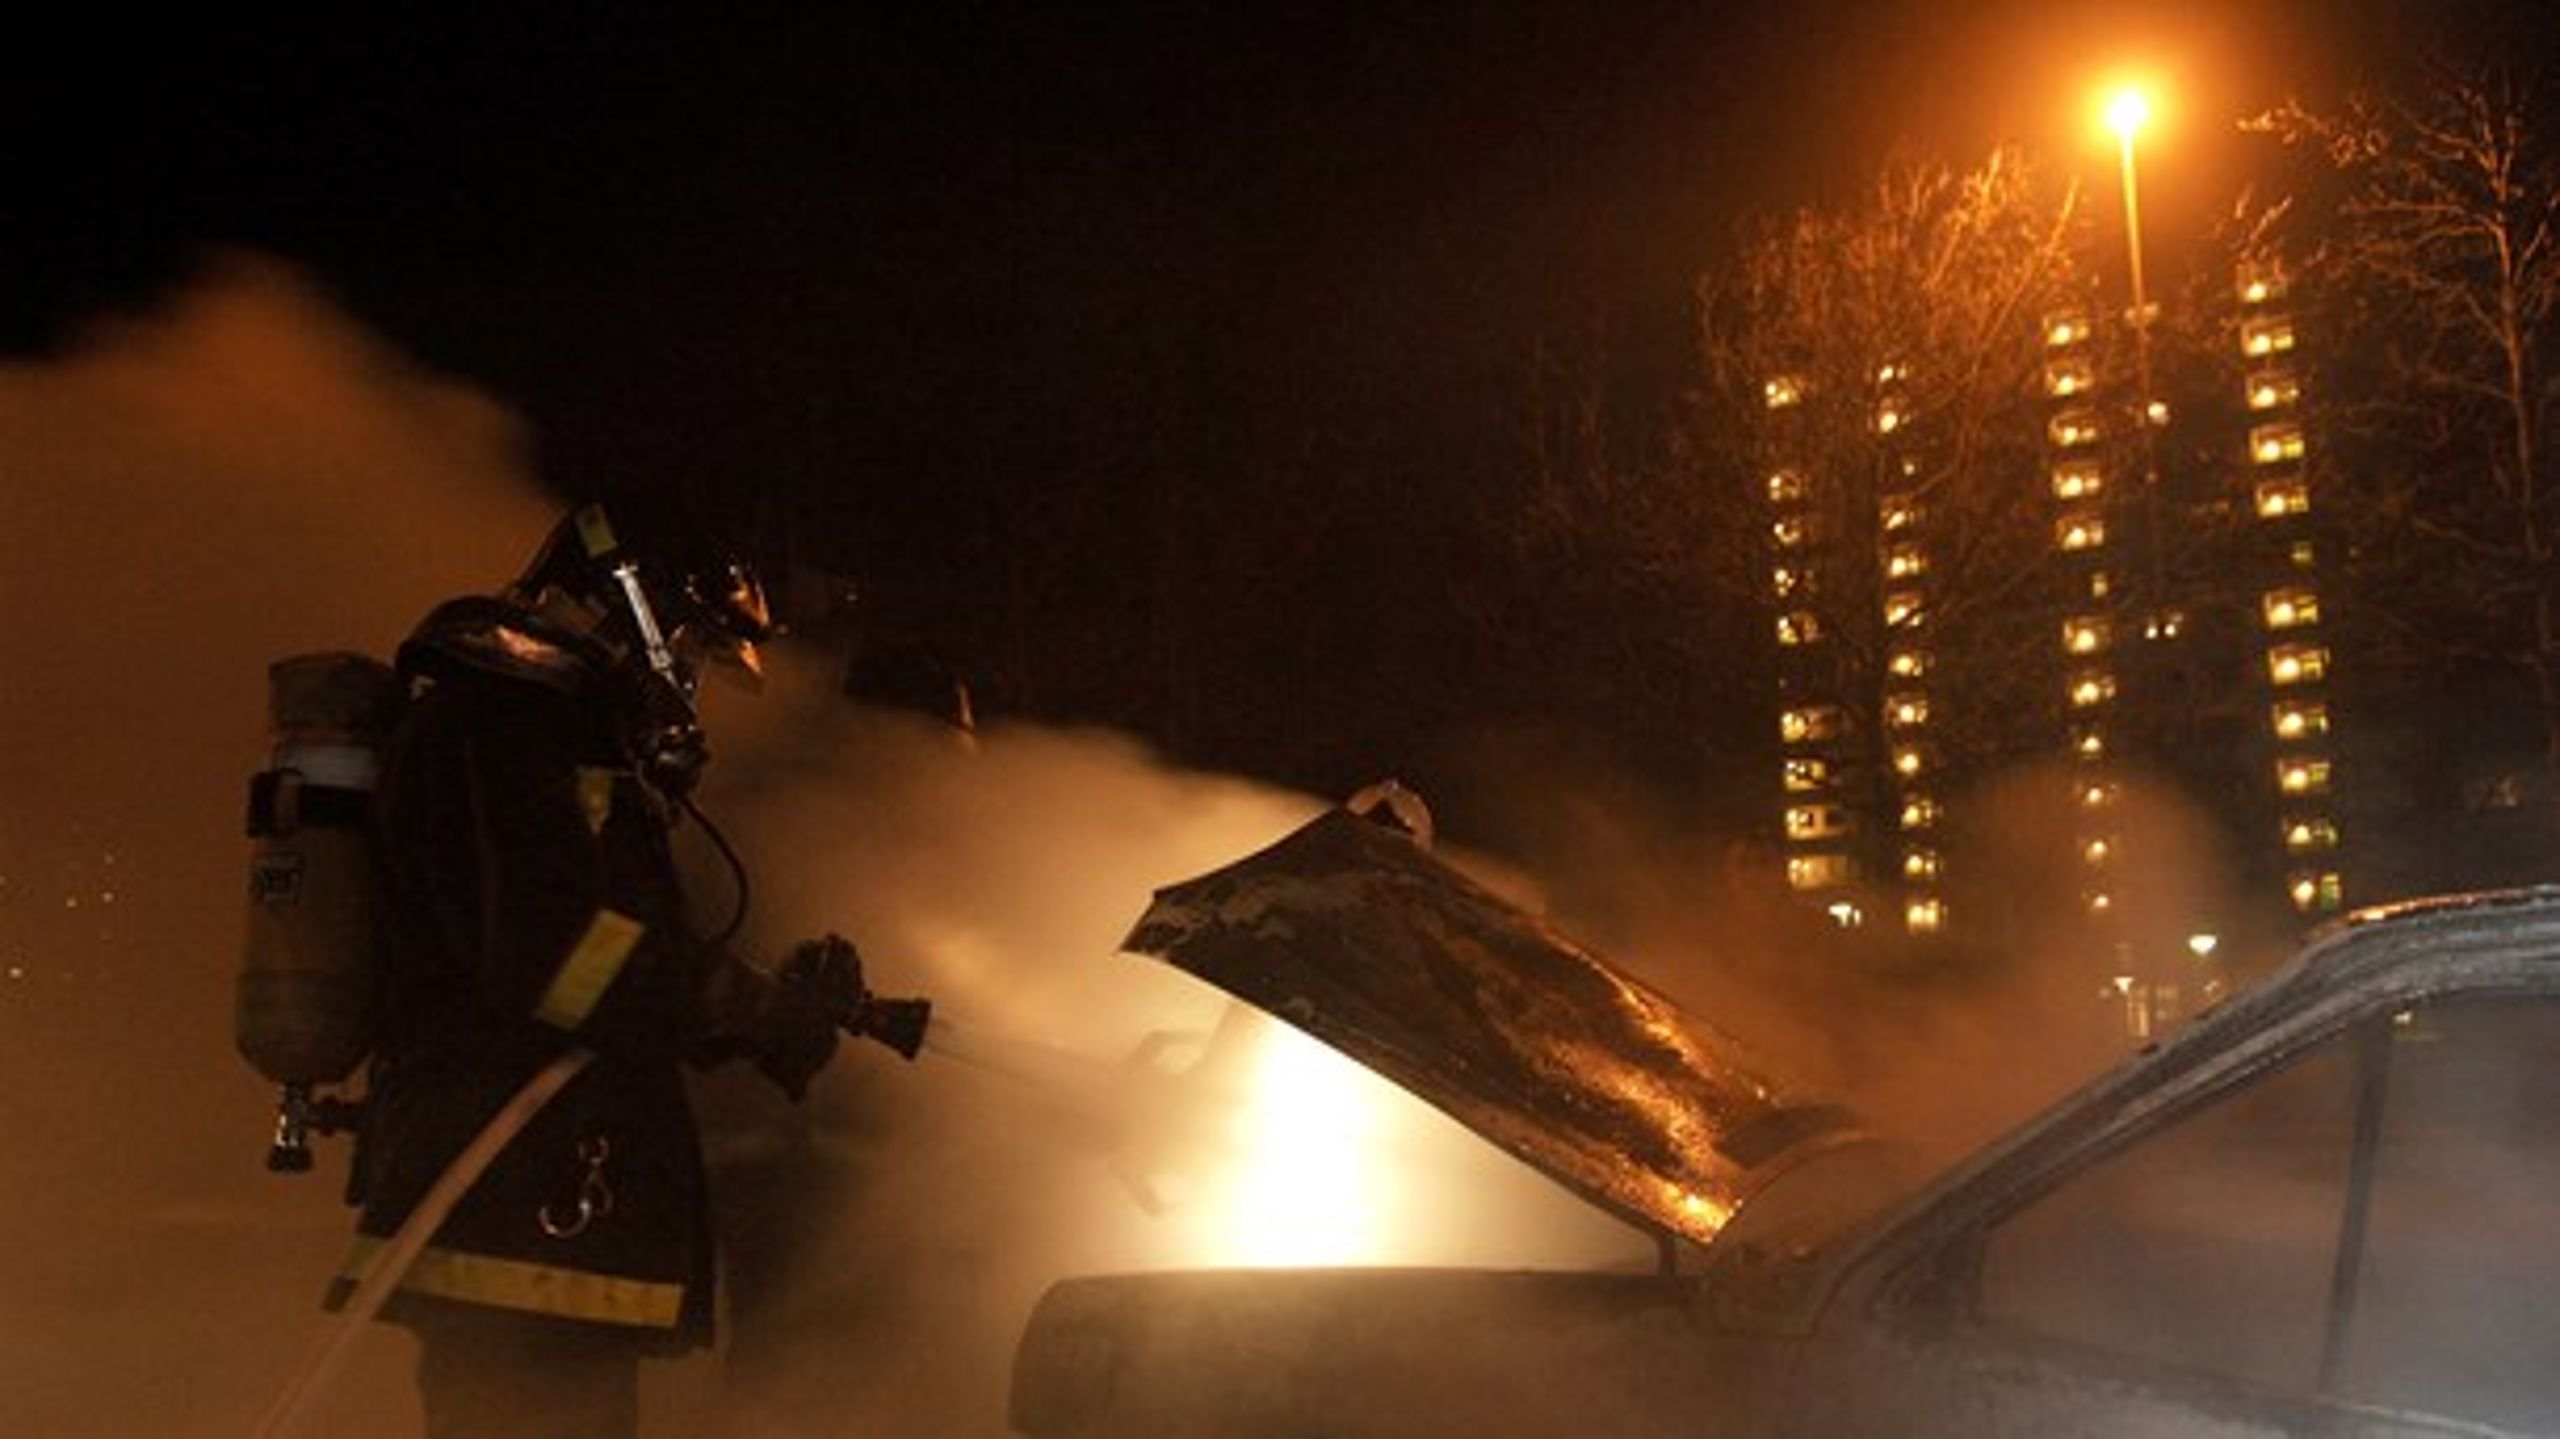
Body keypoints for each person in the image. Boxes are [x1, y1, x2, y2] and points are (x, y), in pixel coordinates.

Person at [328, 502, 866, 1436]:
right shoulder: (499, 727)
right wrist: (731, 999)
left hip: (544, 1217)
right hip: (518, 1209)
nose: (691, 679)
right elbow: (562, 959)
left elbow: (608, 961)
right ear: (641, 615)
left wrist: (758, 1012)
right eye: (694, 649)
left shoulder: (547, 733)